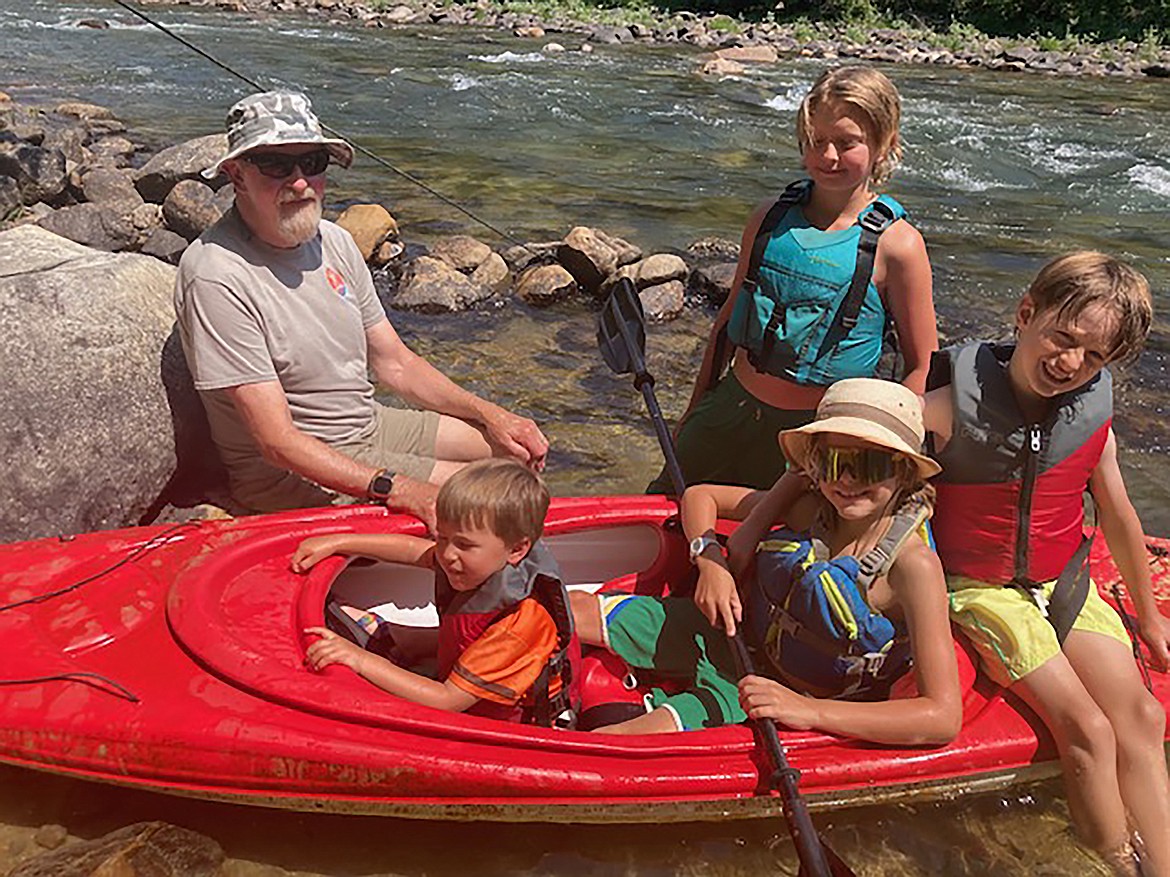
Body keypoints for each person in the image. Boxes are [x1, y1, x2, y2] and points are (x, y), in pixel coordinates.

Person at [175, 90, 548, 529]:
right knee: (492, 501)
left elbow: (395, 364)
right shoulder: (217, 274)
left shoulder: (335, 242)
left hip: (367, 424)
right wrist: (401, 488)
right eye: (277, 165)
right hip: (290, 473)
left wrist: (493, 414)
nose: (299, 182)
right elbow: (277, 443)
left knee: (520, 457)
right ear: (237, 176)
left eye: (312, 163)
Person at [923, 252, 1169, 877]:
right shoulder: (946, 402)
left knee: (1140, 715)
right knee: (1087, 728)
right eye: (1063, 339)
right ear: (1025, 313)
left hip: (1064, 581)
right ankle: (1118, 863)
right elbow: (871, 487)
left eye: (1094, 357)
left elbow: (1118, 516)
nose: (1071, 364)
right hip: (979, 588)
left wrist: (1150, 621)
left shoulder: (1092, 412)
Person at [573, 378, 961, 745]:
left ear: (904, 471)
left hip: (767, 693)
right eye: (830, 461)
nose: (845, 479)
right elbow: (700, 497)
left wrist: (809, 711)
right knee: (570, 611)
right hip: (728, 633)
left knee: (619, 742)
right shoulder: (812, 508)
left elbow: (942, 717)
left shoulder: (913, 568)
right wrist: (710, 561)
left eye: (868, 466)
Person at [649, 65, 936, 493]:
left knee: (778, 550)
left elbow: (922, 366)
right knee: (670, 506)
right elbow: (727, 324)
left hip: (817, 437)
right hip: (730, 410)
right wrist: (693, 412)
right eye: (817, 142)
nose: (829, 156)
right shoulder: (770, 218)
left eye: (847, 142)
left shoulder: (898, 246)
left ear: (884, 145)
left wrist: (882, 447)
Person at [293, 459, 578, 726]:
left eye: (464, 545)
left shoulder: (519, 625)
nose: (447, 554)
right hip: (462, 673)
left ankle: (390, 645)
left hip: (502, 725)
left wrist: (359, 659)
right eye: (442, 537)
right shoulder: (479, 561)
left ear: (517, 549)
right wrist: (339, 542)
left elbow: (447, 700)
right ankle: (400, 641)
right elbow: (412, 550)